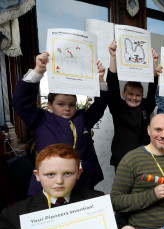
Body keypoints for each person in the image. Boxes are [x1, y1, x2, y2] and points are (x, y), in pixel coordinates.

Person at [0, 144, 138, 229]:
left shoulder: (97, 199)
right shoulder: (13, 214)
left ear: (79, 173)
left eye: (67, 173)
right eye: (50, 174)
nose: (59, 181)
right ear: (37, 175)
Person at [12, 52, 109, 195]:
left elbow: (100, 105)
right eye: (61, 104)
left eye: (72, 104)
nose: (67, 109)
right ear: (49, 104)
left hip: (84, 180)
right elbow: (21, 102)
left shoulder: (83, 119)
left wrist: (100, 79)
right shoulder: (40, 120)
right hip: (52, 184)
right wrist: (39, 70)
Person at [107, 40, 159, 169]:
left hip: (144, 159)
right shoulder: (117, 107)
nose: (134, 98)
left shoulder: (146, 107)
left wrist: (153, 63)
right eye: (130, 94)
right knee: (123, 190)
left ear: (142, 96)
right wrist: (113, 56)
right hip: (122, 160)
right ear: (123, 93)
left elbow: (153, 88)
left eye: (138, 95)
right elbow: (112, 84)